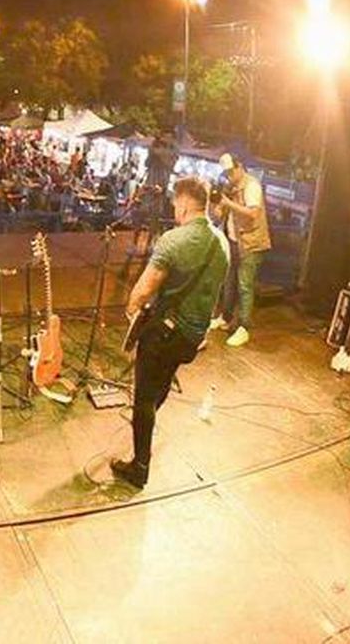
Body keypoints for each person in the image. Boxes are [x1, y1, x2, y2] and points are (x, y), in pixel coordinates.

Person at [110, 176, 229, 490]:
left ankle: (139, 468)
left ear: (187, 202)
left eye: (176, 203)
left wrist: (133, 319)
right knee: (161, 384)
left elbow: (140, 294)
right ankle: (146, 423)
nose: (174, 208)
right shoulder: (222, 243)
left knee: (144, 398)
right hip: (193, 338)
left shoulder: (174, 240)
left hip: (165, 334)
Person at [209, 153, 270, 348]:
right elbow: (219, 215)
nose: (229, 176)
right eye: (226, 173)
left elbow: (253, 213)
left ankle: (244, 328)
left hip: (251, 243)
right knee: (228, 281)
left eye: (231, 171)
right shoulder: (231, 187)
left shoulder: (251, 185)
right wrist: (216, 203)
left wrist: (229, 203)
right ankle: (226, 318)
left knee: (245, 285)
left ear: (240, 166)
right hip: (233, 241)